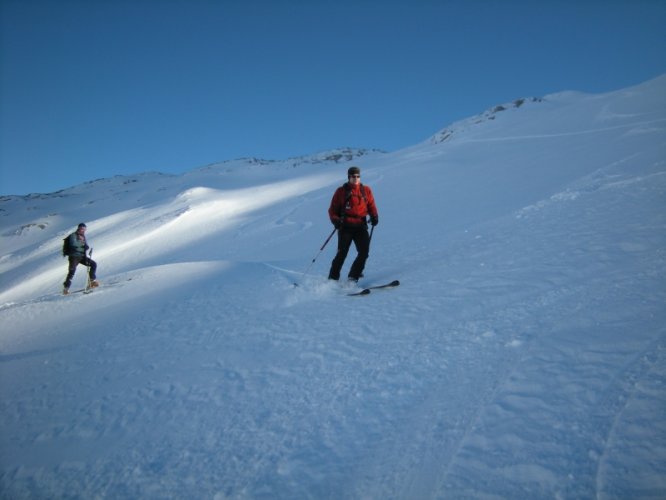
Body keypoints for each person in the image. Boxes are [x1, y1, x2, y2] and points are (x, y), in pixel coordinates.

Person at [328, 166, 379, 282]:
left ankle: (353, 277)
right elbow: (332, 210)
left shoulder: (366, 190)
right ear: (348, 177)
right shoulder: (341, 191)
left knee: (364, 252)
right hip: (345, 226)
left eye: (358, 176)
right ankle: (332, 279)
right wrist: (335, 220)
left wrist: (374, 216)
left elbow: (371, 205)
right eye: (353, 176)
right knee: (342, 254)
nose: (356, 178)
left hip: (361, 225)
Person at [63, 223, 99, 294]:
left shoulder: (82, 236)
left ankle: (92, 281)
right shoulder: (73, 235)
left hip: (82, 257)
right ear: (79, 228)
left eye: (84, 229)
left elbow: (85, 245)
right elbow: (73, 245)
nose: (83, 230)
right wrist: (82, 245)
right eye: (82, 228)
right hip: (74, 257)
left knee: (93, 264)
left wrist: (85, 246)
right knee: (72, 272)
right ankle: (66, 289)